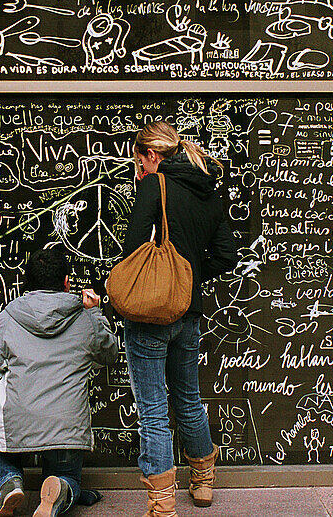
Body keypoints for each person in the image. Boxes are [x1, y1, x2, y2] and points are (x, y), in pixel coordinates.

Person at [121, 122, 240, 513]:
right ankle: (203, 482)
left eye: (139, 163)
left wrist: (164, 271)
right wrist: (189, 273)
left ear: (152, 155)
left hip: (152, 314)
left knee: (153, 408)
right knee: (189, 398)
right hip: (189, 313)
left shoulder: (154, 186)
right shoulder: (208, 191)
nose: (139, 170)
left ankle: (161, 503)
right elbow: (226, 255)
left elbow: (135, 245)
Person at [0, 246, 120, 517]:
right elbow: (109, 353)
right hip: (65, 423)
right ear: (67, 282)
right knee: (68, 475)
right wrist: (96, 312)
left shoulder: (9, 316)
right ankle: (62, 487)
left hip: (15, 417)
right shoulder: (85, 317)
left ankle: (9, 481)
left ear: (26, 282)